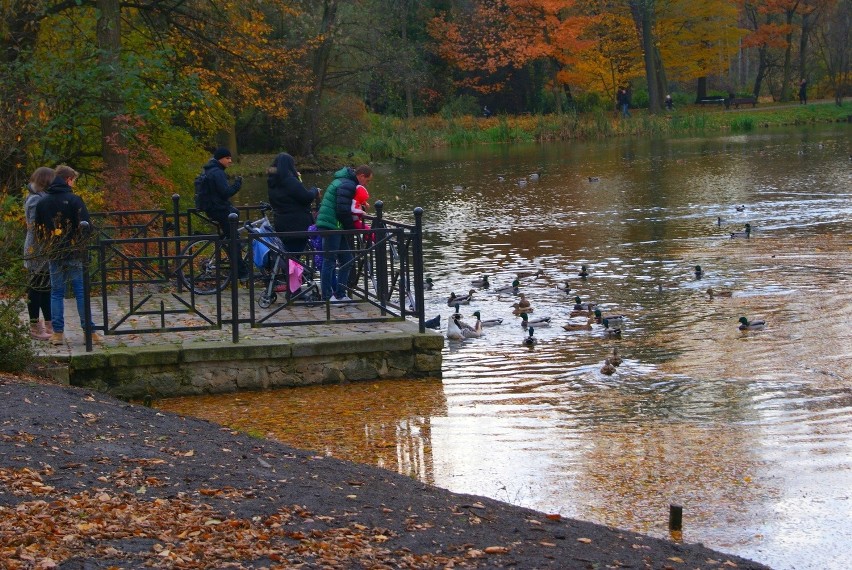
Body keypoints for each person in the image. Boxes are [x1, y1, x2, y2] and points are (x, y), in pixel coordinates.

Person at [34, 165, 101, 345]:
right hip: (75, 252)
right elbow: (87, 226)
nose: (73, 184)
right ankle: (89, 331)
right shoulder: (74, 200)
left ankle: (57, 333)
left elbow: (38, 230)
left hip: (54, 252)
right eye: (73, 180)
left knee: (56, 293)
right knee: (80, 292)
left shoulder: (42, 202)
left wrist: (49, 244)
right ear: (68, 179)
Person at [315, 165, 373, 302]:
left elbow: (346, 205)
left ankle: (340, 294)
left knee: (347, 259)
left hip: (335, 225)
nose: (366, 184)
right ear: (361, 176)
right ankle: (327, 297)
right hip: (331, 225)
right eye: (367, 181)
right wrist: (352, 228)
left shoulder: (344, 181)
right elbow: (342, 210)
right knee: (329, 261)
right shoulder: (348, 184)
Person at [267, 152, 320, 293]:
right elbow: (305, 196)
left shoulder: (273, 182)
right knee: (294, 256)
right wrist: (315, 191)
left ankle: (292, 288)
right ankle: (293, 291)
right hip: (297, 224)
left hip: (282, 222)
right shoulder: (289, 181)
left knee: (290, 255)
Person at [199, 147, 247, 279]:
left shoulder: (210, 170)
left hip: (214, 209)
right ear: (220, 159)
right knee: (234, 241)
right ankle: (241, 273)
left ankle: (235, 262)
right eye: (228, 158)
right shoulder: (217, 173)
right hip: (220, 211)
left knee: (232, 237)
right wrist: (237, 184)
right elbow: (225, 193)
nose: (230, 161)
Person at [22, 166, 55, 340]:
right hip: (37, 248)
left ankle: (49, 322)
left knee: (46, 287)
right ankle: (35, 326)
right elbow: (36, 227)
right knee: (36, 287)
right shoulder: (35, 199)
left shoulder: (41, 197)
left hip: (44, 248)